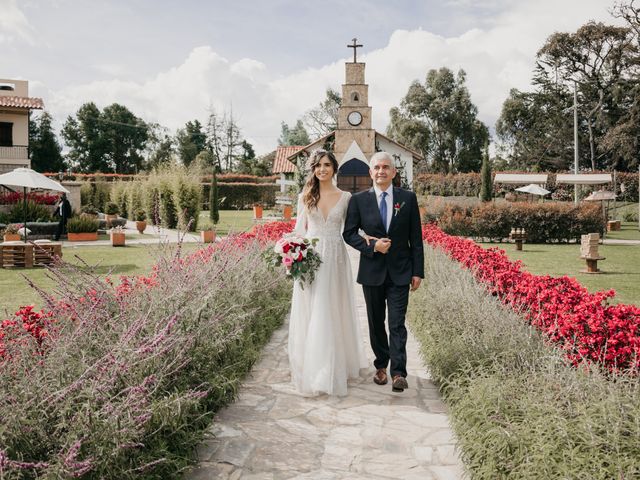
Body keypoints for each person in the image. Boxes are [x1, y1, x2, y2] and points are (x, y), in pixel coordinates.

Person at [343, 151, 424, 393]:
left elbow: (416, 238)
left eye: (386, 167)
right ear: (371, 172)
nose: (381, 171)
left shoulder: (407, 199)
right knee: (376, 322)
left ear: (393, 172)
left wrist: (417, 271)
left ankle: (398, 372)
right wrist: (371, 246)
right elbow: (349, 234)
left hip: (401, 271)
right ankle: (381, 366)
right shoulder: (358, 200)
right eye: (377, 167)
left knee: (397, 323)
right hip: (372, 271)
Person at [288, 149, 367, 396]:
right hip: (310, 258)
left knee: (332, 307)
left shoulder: (345, 197)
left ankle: (334, 367)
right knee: (313, 308)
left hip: (335, 258)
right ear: (313, 169)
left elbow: (353, 229)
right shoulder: (305, 196)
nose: (322, 169)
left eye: (326, 165)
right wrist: (291, 254)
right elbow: (299, 231)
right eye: (318, 165)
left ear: (334, 168)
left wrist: (370, 240)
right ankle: (313, 366)